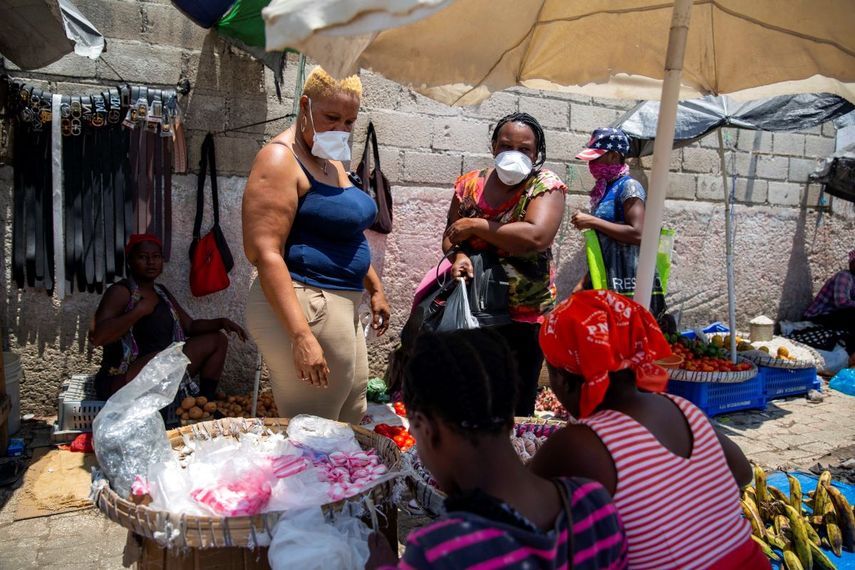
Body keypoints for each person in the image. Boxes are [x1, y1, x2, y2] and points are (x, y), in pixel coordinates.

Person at [529, 290, 769, 570]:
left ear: (563, 379)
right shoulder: (682, 408)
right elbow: (743, 472)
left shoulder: (578, 445)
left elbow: (515, 515)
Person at [366, 328, 627, 569]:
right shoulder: (595, 504)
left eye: (414, 429)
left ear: (427, 429)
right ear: (510, 415)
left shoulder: (439, 552)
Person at [242, 67, 390, 424]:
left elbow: (344, 233)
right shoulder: (279, 159)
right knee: (317, 432)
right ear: (304, 106)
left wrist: (374, 287)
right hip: (307, 303)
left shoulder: (328, 159)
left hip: (339, 304)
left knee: (350, 419)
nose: (340, 129)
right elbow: (265, 253)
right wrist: (301, 336)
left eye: (349, 122)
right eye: (331, 117)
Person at [443, 112, 567, 416]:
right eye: (505, 146)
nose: (514, 154)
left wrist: (476, 225)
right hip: (475, 309)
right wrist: (458, 255)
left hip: (523, 317)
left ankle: (508, 460)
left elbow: (536, 236)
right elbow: (451, 236)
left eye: (524, 149)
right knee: (469, 396)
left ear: (537, 153)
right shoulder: (469, 184)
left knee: (515, 401)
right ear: (493, 147)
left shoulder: (545, 185)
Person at [89, 234, 246, 400]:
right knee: (161, 358)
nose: (151, 262)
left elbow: (190, 326)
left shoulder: (161, 292)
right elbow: (98, 337)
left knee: (217, 340)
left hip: (164, 370)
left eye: (156, 257)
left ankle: (205, 403)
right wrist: (137, 312)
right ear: (130, 260)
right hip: (123, 379)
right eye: (143, 257)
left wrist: (221, 322)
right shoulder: (121, 292)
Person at [570, 127, 666, 317]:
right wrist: (584, 283)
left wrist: (593, 221)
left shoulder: (629, 186)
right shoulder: (606, 189)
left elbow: (639, 234)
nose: (591, 164)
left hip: (627, 280)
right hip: (609, 278)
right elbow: (605, 245)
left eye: (596, 158)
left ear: (614, 156)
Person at [803, 249, 855, 350]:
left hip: (834, 316)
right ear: (852, 264)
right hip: (818, 316)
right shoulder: (844, 276)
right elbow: (841, 302)